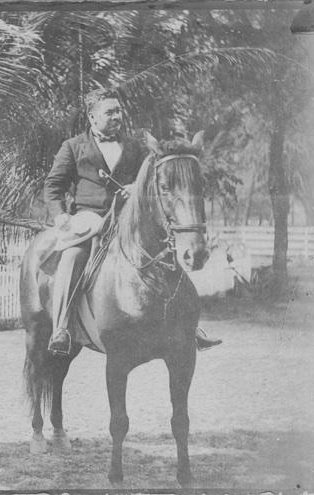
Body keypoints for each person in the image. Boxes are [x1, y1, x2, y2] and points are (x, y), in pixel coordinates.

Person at [44, 88, 221, 356]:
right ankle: (62, 328)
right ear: (92, 117)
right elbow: (53, 186)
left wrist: (133, 185)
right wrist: (59, 214)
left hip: (129, 217)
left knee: (169, 251)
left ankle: (189, 326)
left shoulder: (136, 146)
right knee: (73, 256)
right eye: (109, 112)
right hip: (89, 217)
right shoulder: (72, 147)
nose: (117, 116)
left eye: (118, 111)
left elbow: (153, 179)